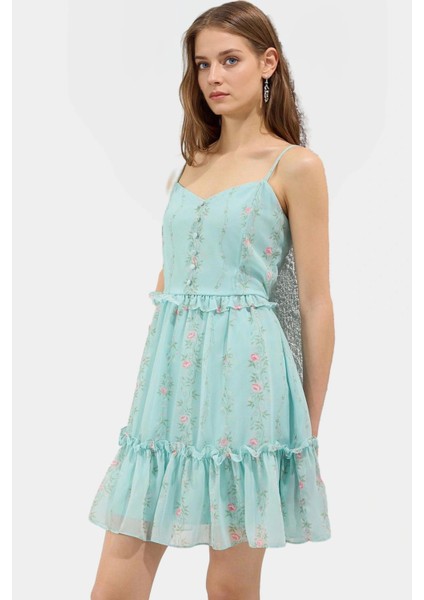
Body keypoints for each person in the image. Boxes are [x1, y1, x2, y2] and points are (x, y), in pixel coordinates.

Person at [88, 1, 335, 598]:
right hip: (169, 385)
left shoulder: (295, 166)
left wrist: (307, 425)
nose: (213, 77)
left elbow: (316, 304)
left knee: (230, 586)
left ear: (268, 63)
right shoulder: (190, 167)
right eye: (202, 64)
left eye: (230, 60)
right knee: (117, 574)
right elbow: (170, 286)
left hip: (248, 383)